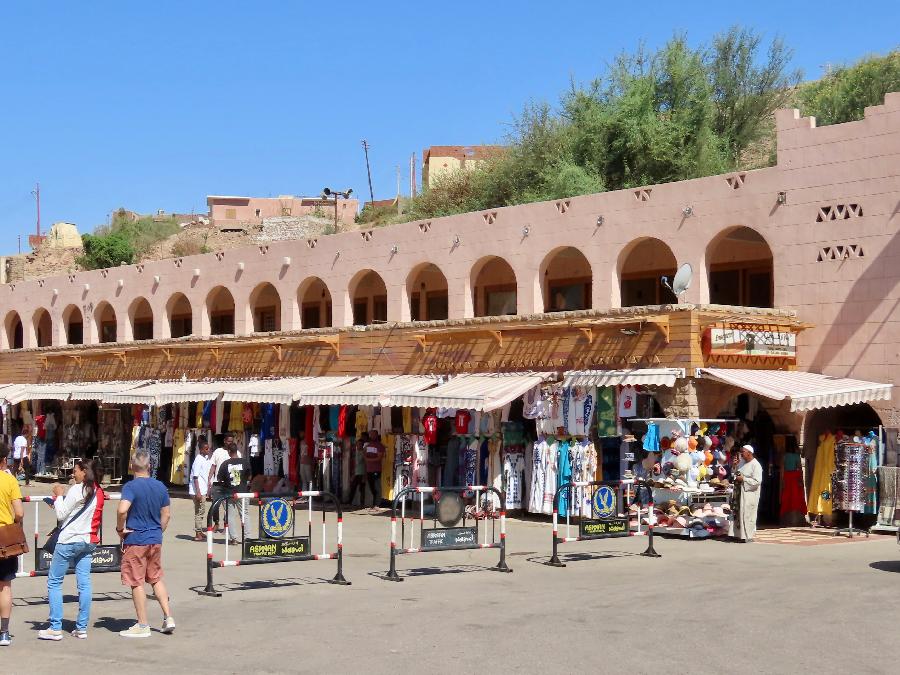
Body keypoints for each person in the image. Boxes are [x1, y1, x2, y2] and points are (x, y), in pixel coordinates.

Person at [38, 459, 105, 641]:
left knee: (54, 582)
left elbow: (61, 513)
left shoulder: (77, 489)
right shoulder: (99, 491)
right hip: (88, 541)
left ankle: (55, 627)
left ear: (84, 471)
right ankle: (81, 627)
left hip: (69, 541)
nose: (72, 474)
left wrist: (59, 495)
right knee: (84, 584)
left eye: (75, 470)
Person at [116, 450, 174, 638]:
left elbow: (122, 509)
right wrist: (159, 530)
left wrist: (120, 528)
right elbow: (166, 514)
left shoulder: (130, 487)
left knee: (136, 581)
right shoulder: (160, 486)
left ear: (132, 466)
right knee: (156, 578)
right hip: (154, 538)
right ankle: (168, 616)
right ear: (149, 466)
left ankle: (142, 625)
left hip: (136, 538)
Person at [0, 445, 24, 647]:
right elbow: (20, 512)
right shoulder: (9, 480)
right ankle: (4, 632)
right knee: (5, 585)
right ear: (4, 460)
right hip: (4, 537)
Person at [217, 446, 250, 545]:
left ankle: (234, 538)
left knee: (230, 516)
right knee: (245, 515)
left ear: (229, 452)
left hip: (229, 493)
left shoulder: (225, 464)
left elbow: (219, 479)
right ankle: (247, 538)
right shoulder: (245, 462)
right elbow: (249, 476)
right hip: (242, 492)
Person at [730, 444, 763, 542]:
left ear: (749, 453)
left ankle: (747, 536)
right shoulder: (742, 463)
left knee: (747, 514)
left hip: (749, 494)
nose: (741, 454)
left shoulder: (756, 465)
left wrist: (744, 479)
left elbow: (757, 481)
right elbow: (735, 474)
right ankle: (736, 534)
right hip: (739, 493)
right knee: (738, 513)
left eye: (743, 452)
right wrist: (734, 466)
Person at [208, 434, 238, 533]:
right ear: (225, 441)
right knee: (215, 505)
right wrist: (209, 479)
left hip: (229, 484)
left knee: (228, 506)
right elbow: (213, 466)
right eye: (229, 441)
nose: (230, 443)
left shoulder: (236, 453)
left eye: (232, 441)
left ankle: (226, 525)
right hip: (217, 483)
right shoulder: (218, 451)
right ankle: (216, 523)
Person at [189, 439, 212, 541]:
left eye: (208, 448)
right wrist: (198, 492)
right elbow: (195, 477)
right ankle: (197, 533)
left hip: (202, 489)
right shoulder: (198, 460)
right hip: (197, 491)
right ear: (201, 450)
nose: (208, 450)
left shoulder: (204, 458)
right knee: (199, 511)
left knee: (201, 511)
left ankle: (199, 531)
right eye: (206, 449)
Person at [363, 431, 385, 508]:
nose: (372, 436)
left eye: (373, 435)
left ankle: (377, 504)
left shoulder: (379, 446)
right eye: (371, 435)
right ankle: (374, 503)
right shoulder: (368, 445)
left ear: (376, 435)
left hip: (376, 469)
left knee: (376, 486)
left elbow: (379, 457)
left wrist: (368, 459)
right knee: (371, 486)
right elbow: (364, 454)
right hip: (369, 469)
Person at [345, 439, 366, 507]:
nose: (358, 445)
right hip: (356, 473)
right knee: (353, 488)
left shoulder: (363, 453)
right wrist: (353, 473)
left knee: (362, 489)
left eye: (360, 444)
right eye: (357, 444)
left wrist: (365, 475)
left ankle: (362, 503)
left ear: (362, 445)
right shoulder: (356, 453)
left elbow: (365, 464)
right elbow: (355, 464)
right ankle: (349, 501)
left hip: (362, 472)